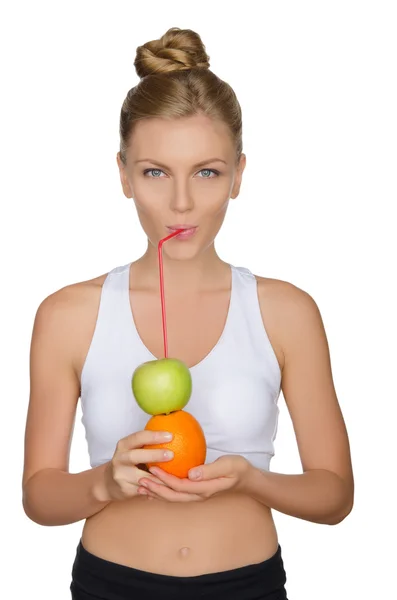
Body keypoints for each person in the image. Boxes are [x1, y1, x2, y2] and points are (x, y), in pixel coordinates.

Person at [22, 26, 354, 600]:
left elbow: (335, 496)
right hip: (111, 584)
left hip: (247, 584)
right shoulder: (68, 315)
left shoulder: (287, 311)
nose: (181, 203)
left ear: (239, 175)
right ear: (123, 174)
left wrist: (250, 479)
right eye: (155, 172)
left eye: (207, 172)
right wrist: (105, 481)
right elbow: (39, 497)